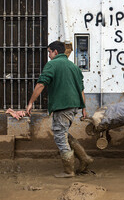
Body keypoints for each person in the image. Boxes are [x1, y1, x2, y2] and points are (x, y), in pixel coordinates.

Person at [26, 41, 93, 178]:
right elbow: (81, 90)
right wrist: (83, 109)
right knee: (63, 134)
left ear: (56, 52)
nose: (49, 55)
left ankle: (69, 171)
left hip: (63, 106)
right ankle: (85, 158)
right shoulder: (74, 67)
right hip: (73, 106)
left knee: (60, 137)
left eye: (49, 52)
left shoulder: (52, 64)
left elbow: (40, 85)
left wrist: (30, 103)